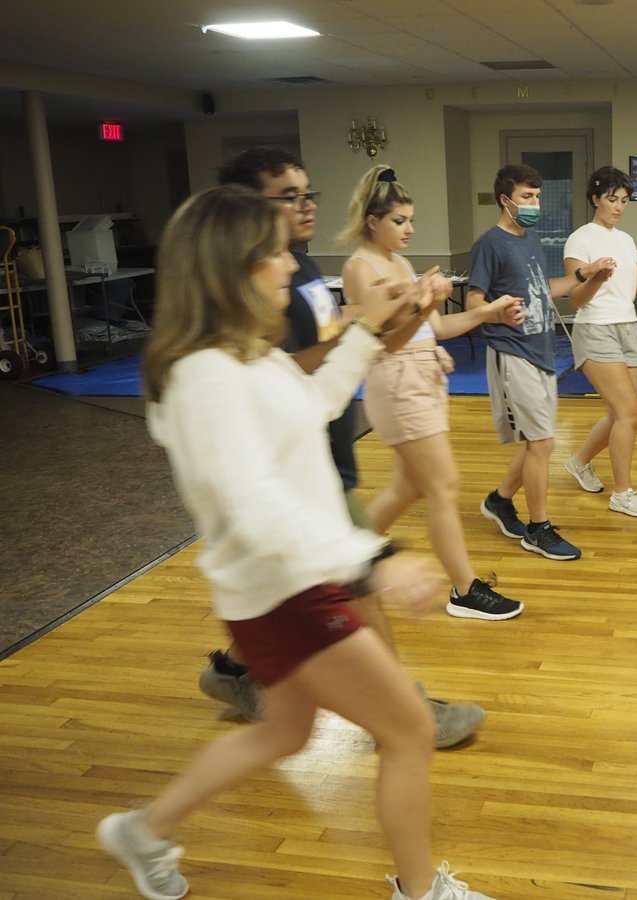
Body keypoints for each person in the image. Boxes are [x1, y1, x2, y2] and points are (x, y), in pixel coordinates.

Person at [98, 184, 495, 900]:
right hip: (282, 591)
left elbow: (316, 404)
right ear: (234, 265)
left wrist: (372, 332)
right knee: (408, 728)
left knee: (283, 733)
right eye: (275, 252)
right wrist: (374, 558)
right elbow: (255, 505)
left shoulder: (248, 356)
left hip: (279, 584)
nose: (290, 266)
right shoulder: (203, 377)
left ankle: (145, 830)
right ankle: (421, 890)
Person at [200, 148, 485, 748]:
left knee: (283, 601)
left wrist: (402, 317)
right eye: (290, 195)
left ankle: (232, 670)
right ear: (248, 208)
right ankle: (410, 714)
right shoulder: (254, 290)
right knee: (362, 591)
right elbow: (283, 373)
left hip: (325, 440)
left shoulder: (298, 269)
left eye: (309, 193)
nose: (307, 205)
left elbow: (344, 355)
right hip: (305, 466)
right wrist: (367, 325)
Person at [339, 164, 526, 619]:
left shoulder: (399, 262)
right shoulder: (359, 269)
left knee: (407, 488)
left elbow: (437, 327)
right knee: (444, 486)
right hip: (397, 380)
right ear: (372, 222)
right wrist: (423, 305)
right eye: (399, 221)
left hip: (424, 376)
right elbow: (381, 342)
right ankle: (464, 591)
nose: (409, 229)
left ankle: (346, 565)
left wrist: (489, 315)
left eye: (410, 220)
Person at [468, 163, 616, 560]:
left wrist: (590, 274)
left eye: (537, 196)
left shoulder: (531, 240)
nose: (534, 203)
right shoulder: (490, 243)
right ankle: (538, 528)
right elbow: (473, 302)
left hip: (542, 353)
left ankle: (500, 501)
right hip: (510, 351)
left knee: (537, 441)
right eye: (526, 197)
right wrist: (498, 313)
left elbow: (547, 290)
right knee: (543, 442)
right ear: (506, 200)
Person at [561, 165, 637, 517]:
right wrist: (597, 277)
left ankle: (579, 461)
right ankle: (622, 493)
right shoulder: (580, 239)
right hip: (595, 329)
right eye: (612, 199)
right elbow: (577, 298)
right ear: (595, 199)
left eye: (625, 200)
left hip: (627, 328)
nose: (619, 206)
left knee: (623, 413)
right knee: (628, 412)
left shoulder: (626, 240)